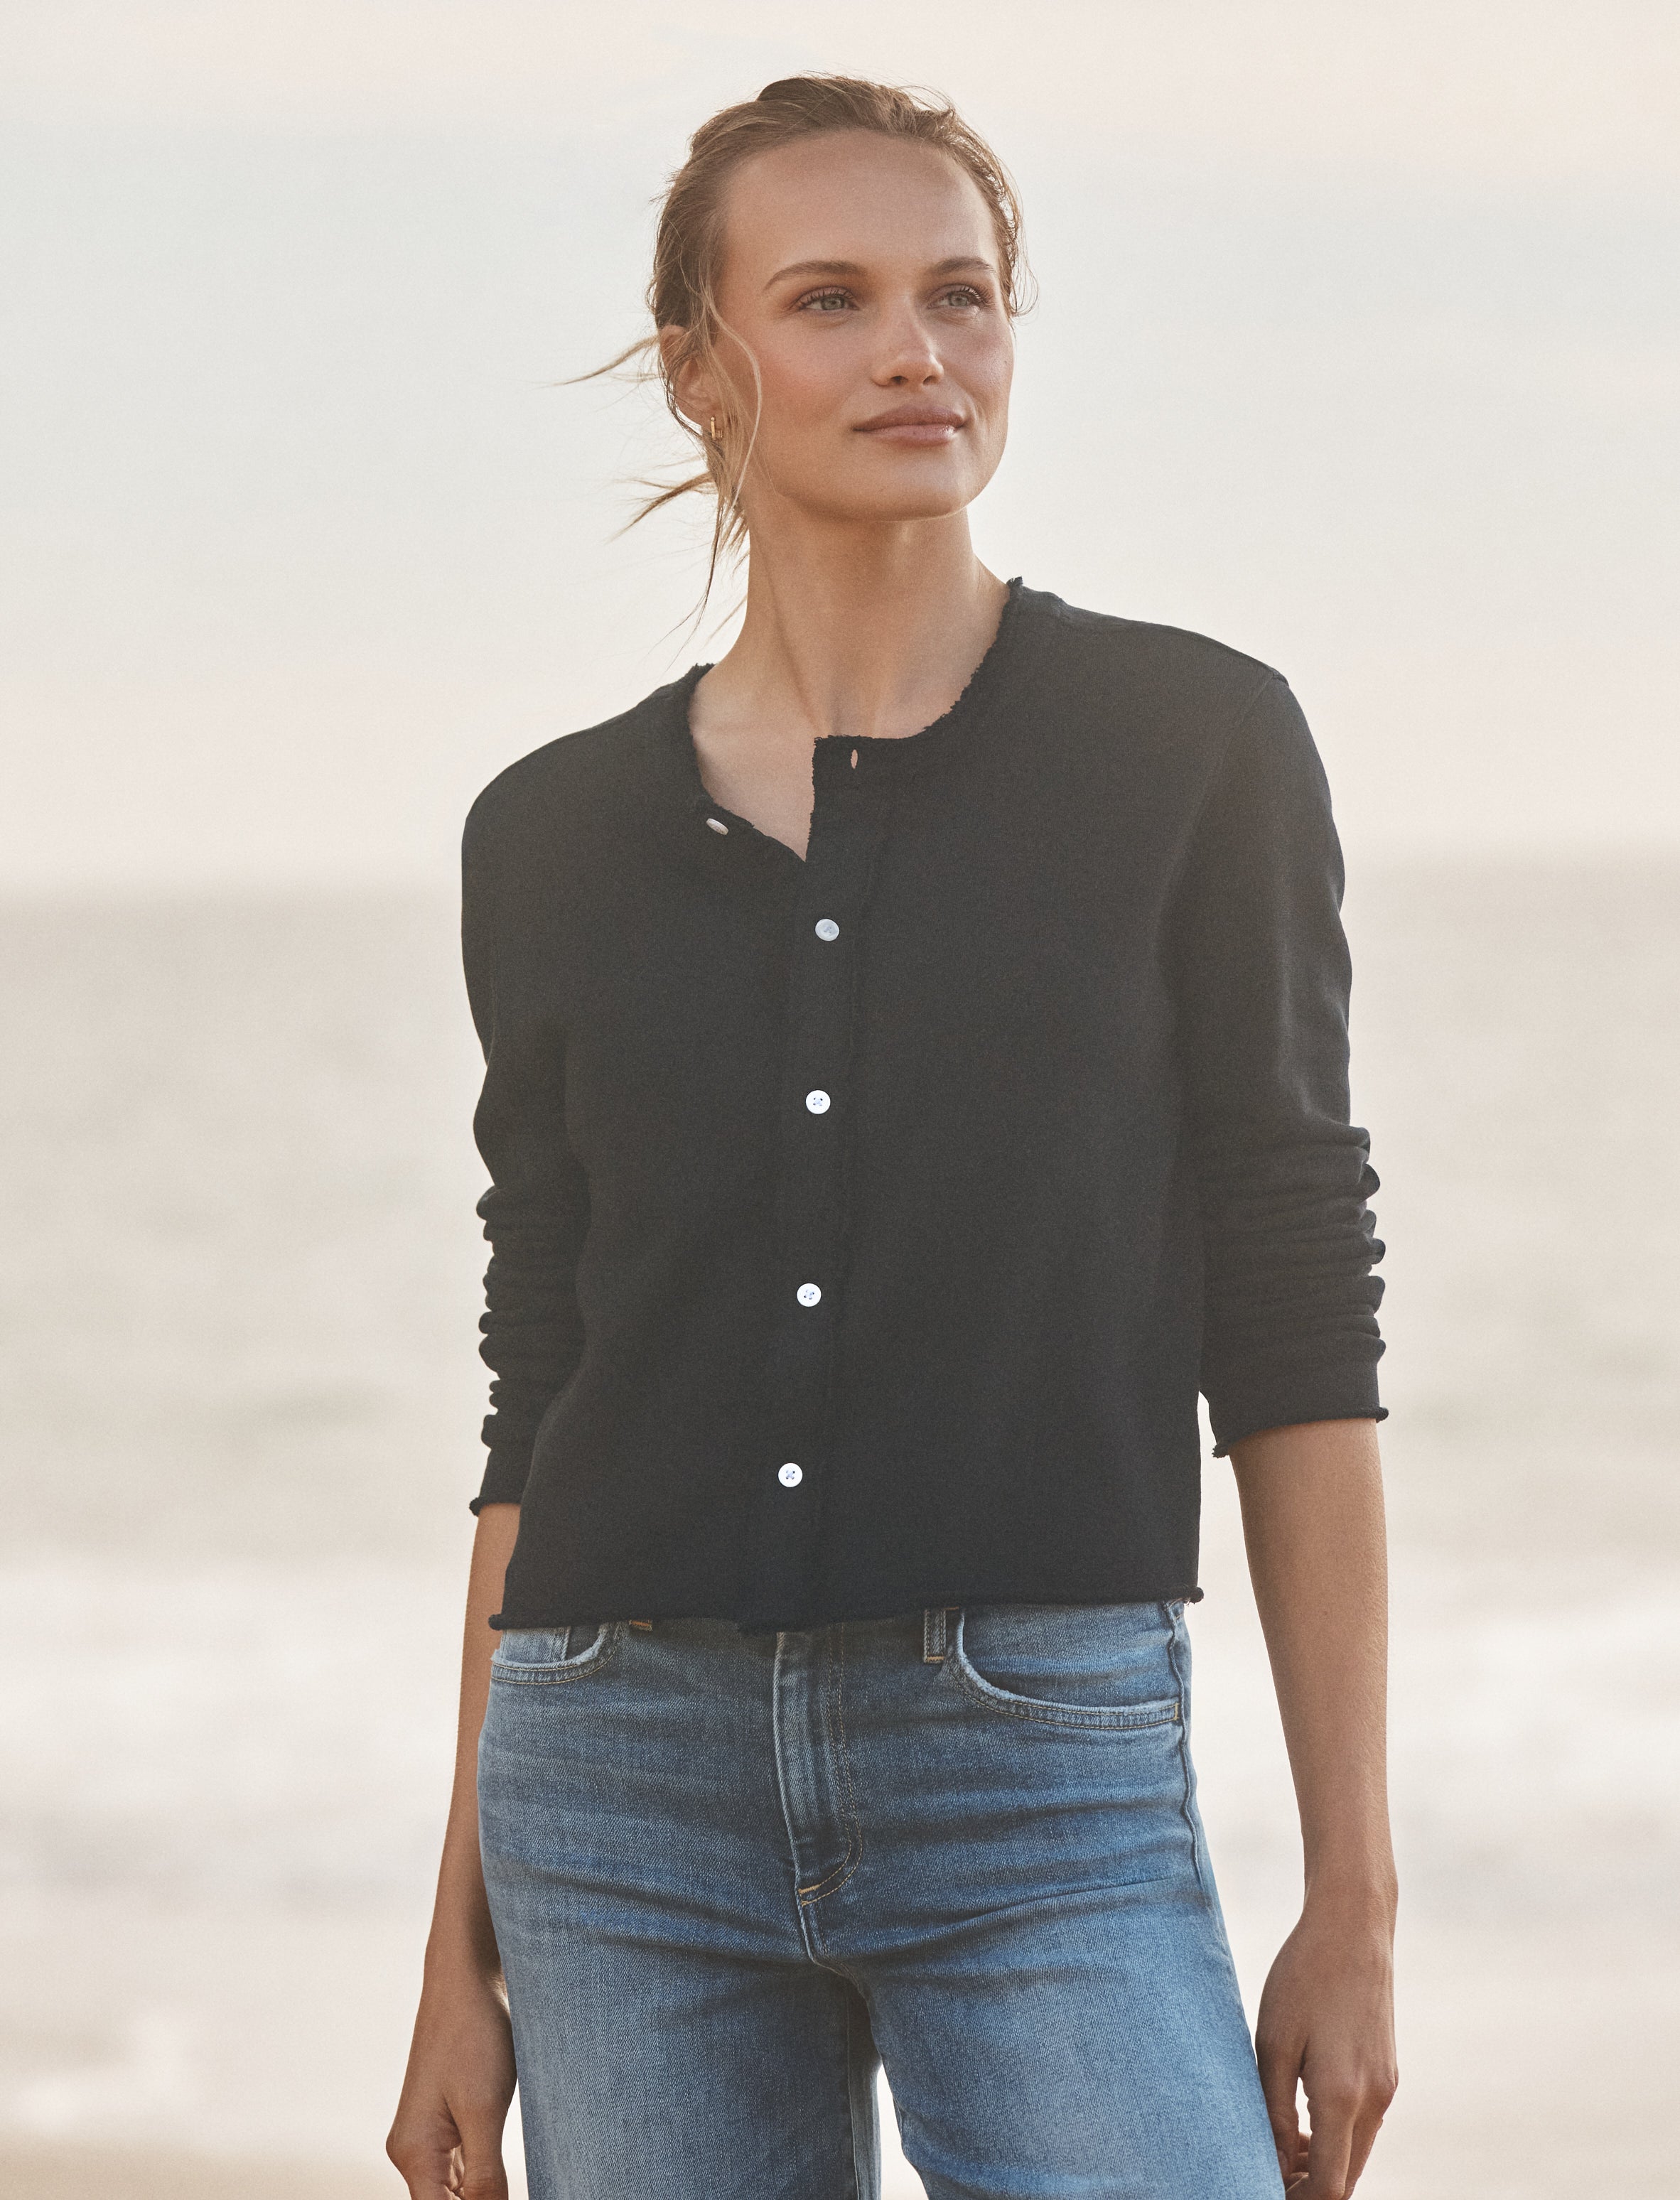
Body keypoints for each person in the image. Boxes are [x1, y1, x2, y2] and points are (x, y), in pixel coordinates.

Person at [387, 74, 1397, 2200]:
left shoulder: (1191, 746)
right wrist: (448, 1956)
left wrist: (1353, 1895)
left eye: (960, 296)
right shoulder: (547, 834)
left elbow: (1297, 1315)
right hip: (613, 1788)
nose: (916, 350)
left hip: (1041, 1779)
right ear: (699, 371)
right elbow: (540, 1391)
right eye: (830, 300)